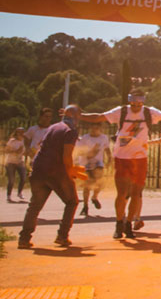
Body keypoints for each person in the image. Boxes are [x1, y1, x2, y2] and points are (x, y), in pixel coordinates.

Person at [82, 88, 161, 239]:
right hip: (122, 157)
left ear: (143, 102)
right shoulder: (121, 112)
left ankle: (129, 223)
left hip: (140, 158)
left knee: (136, 193)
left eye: (139, 103)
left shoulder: (149, 113)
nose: (136, 106)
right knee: (122, 193)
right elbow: (98, 117)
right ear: (129, 101)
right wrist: (78, 115)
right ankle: (119, 223)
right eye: (133, 103)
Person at [17, 105, 86, 248]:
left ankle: (24, 239)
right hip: (56, 171)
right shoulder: (70, 131)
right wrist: (70, 172)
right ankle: (62, 236)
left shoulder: (53, 127)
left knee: (34, 206)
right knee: (72, 201)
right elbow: (66, 155)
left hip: (38, 169)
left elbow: (41, 146)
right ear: (75, 117)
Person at [74, 119, 112, 217]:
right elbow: (80, 151)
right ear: (90, 128)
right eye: (93, 128)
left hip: (98, 163)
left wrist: (109, 159)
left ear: (100, 128)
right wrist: (90, 153)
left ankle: (94, 197)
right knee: (87, 186)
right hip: (86, 163)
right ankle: (85, 206)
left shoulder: (103, 138)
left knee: (100, 182)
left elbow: (107, 149)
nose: (95, 130)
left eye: (97, 128)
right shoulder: (85, 138)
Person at [5, 127, 28, 201]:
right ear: (16, 133)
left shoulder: (23, 141)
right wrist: (16, 151)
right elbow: (6, 150)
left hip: (20, 162)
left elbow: (24, 151)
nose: (21, 134)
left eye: (22, 132)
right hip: (11, 162)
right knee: (11, 180)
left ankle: (19, 193)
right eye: (19, 132)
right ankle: (9, 195)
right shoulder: (12, 141)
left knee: (23, 177)